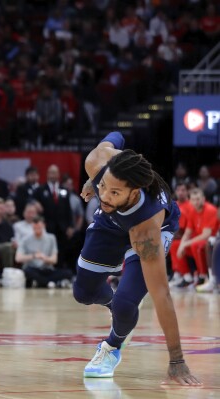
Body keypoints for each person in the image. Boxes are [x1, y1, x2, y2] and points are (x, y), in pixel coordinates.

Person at [74, 131, 201, 385]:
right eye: (103, 186)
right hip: (110, 223)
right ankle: (115, 306)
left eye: (114, 192)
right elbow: (116, 135)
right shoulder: (97, 161)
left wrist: (176, 360)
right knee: (83, 293)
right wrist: (93, 181)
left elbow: (162, 294)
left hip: (147, 227)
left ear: (134, 193)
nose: (105, 196)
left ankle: (111, 347)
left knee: (125, 303)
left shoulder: (147, 228)